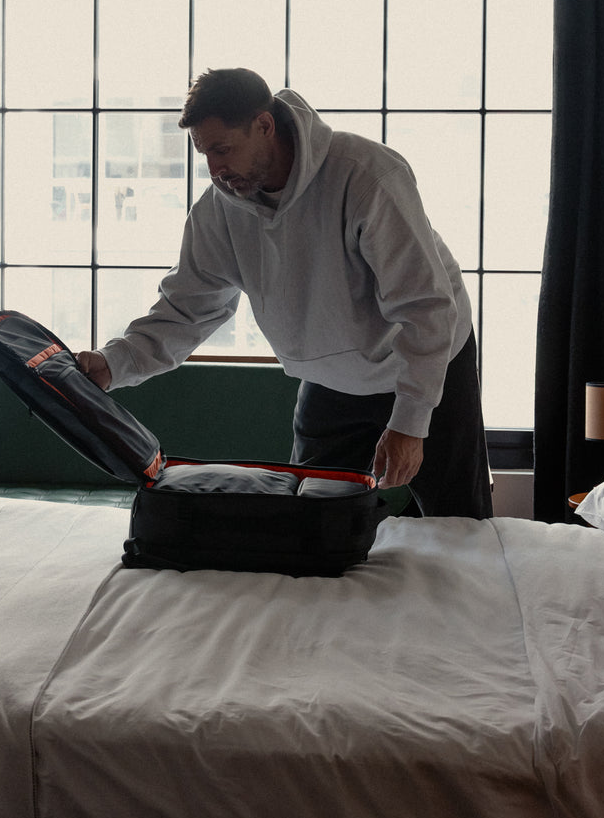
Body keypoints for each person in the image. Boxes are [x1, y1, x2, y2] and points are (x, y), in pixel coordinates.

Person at [77, 68, 491, 518]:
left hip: (425, 363)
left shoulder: (366, 175)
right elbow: (184, 311)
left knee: (459, 526)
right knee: (305, 523)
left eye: (223, 149)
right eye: (204, 154)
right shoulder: (219, 209)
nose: (215, 170)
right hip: (331, 379)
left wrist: (410, 423)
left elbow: (426, 307)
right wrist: (111, 363)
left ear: (264, 125)